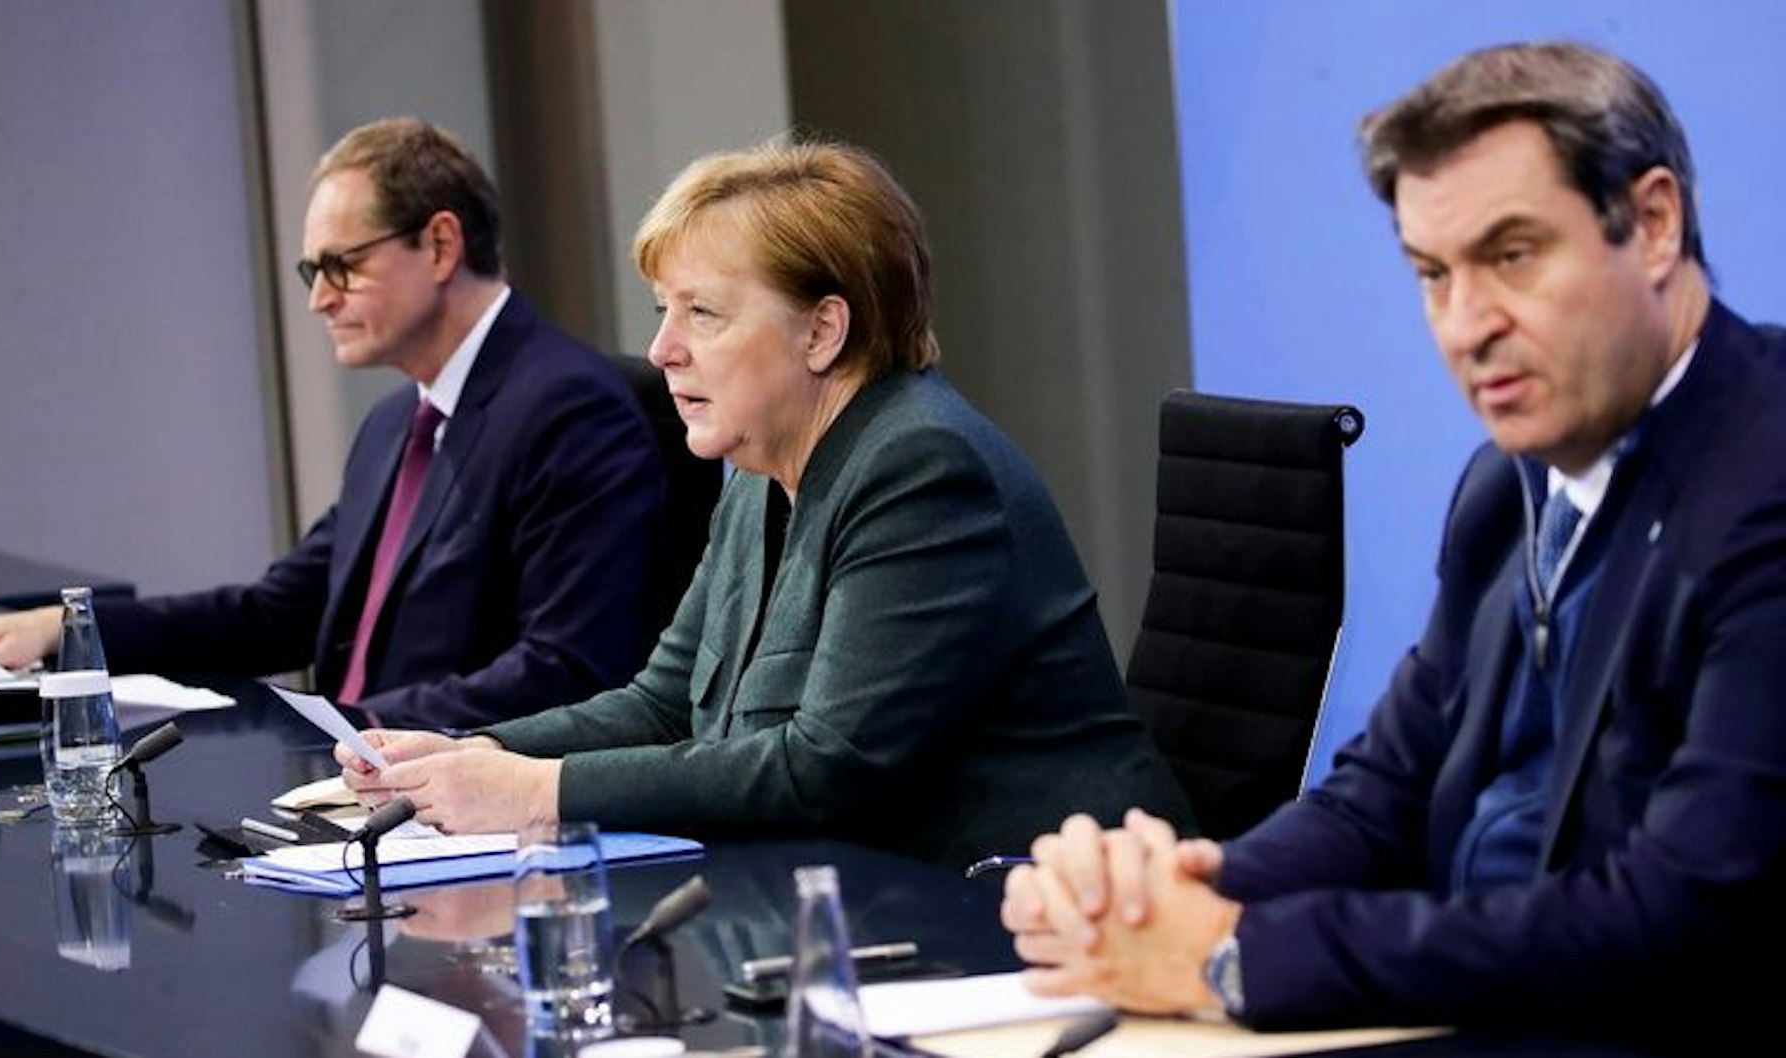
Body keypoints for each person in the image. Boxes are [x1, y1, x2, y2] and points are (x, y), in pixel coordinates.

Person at [999, 41, 1786, 1039]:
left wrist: (1227, 955)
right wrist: (1171, 892)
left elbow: (1677, 914)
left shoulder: (1762, 482)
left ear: (1653, 222)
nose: (1464, 326)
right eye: (1430, 273)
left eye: (1510, 255)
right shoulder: (1504, 484)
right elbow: (1384, 793)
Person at [334, 138, 1192, 868]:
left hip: (1030, 901)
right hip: (868, 892)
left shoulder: (923, 469)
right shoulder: (757, 469)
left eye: (702, 313)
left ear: (823, 331)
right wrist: (480, 750)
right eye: (664, 311)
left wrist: (536, 792)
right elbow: (665, 702)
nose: (662, 349)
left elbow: (828, 767)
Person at [0, 118, 667, 731]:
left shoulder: (570, 409)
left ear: (442, 245)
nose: (320, 300)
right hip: (361, 789)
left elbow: (569, 669)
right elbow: (274, 613)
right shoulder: (396, 424)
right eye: (312, 272)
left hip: (462, 811)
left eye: (341, 266)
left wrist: (351, 734)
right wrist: (72, 630)